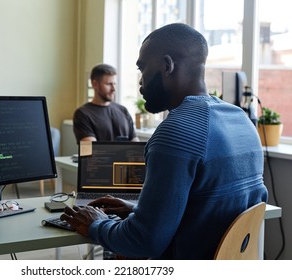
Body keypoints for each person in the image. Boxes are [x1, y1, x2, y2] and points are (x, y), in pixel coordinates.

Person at [61, 23, 268, 259]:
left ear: (167, 66)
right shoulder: (241, 120)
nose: (140, 82)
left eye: (143, 69)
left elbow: (142, 242)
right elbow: (208, 211)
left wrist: (96, 224)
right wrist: (139, 211)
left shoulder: (175, 133)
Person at [73, 63, 139, 142]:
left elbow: (135, 144)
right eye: (108, 84)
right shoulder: (83, 114)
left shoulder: (123, 110)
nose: (113, 89)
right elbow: (90, 151)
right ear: (95, 84)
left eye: (114, 84)